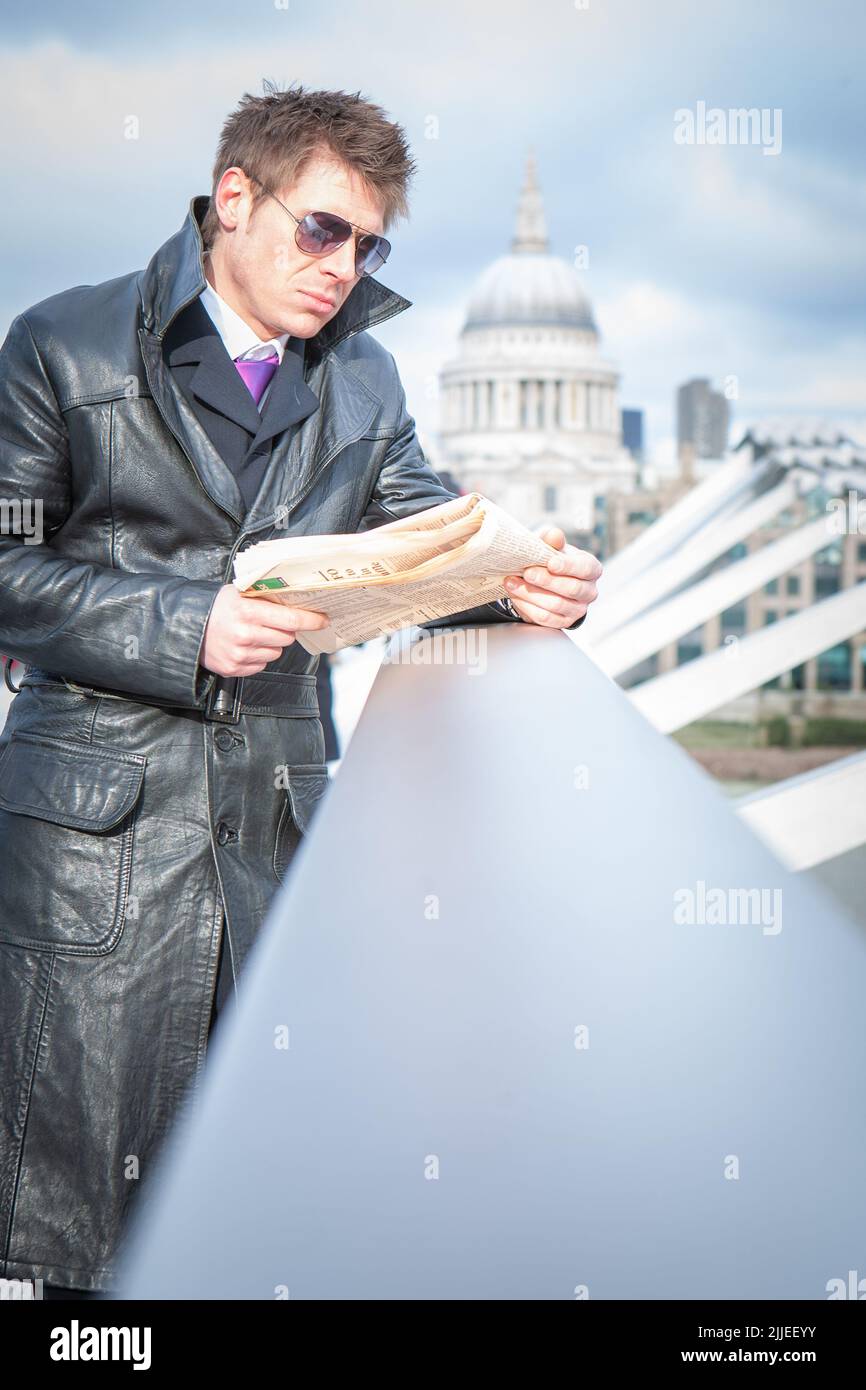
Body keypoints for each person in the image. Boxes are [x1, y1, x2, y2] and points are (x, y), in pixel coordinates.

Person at [0, 82, 601, 1297]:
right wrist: (181, 622)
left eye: (369, 245)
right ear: (234, 198)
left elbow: (420, 541)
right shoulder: (59, 341)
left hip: (275, 836)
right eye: (322, 229)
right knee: (93, 1257)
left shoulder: (366, 378)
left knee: (251, 1218)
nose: (344, 267)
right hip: (96, 846)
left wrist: (523, 584)